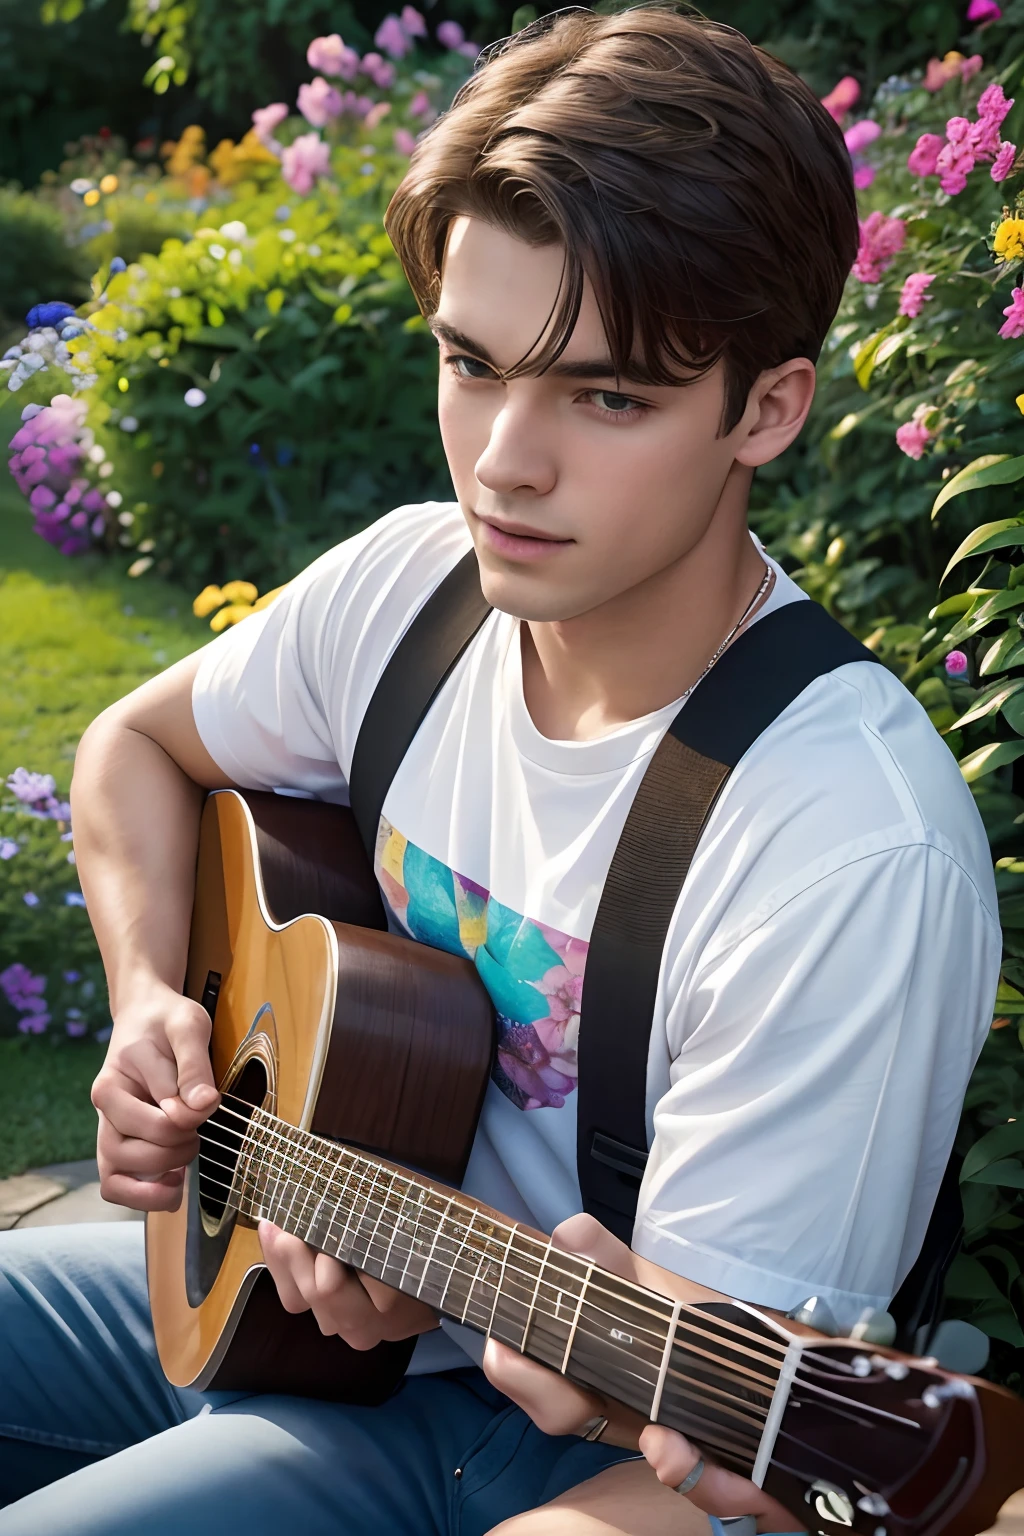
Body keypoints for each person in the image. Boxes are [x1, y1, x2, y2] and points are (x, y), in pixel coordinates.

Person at [0, 6, 1000, 1534]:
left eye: (608, 396)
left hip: (536, 1441)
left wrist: (533, 1353)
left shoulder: (844, 847)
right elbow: (132, 745)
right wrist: (152, 1000)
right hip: (271, 1289)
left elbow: (728, 1485)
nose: (503, 463)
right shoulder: (413, 589)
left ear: (771, 407)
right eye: (472, 364)